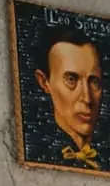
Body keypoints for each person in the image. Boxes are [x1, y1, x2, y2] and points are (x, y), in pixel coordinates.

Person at [33, 23, 105, 169]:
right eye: (71, 80)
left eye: (94, 82)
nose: (87, 98)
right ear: (44, 82)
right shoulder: (41, 156)